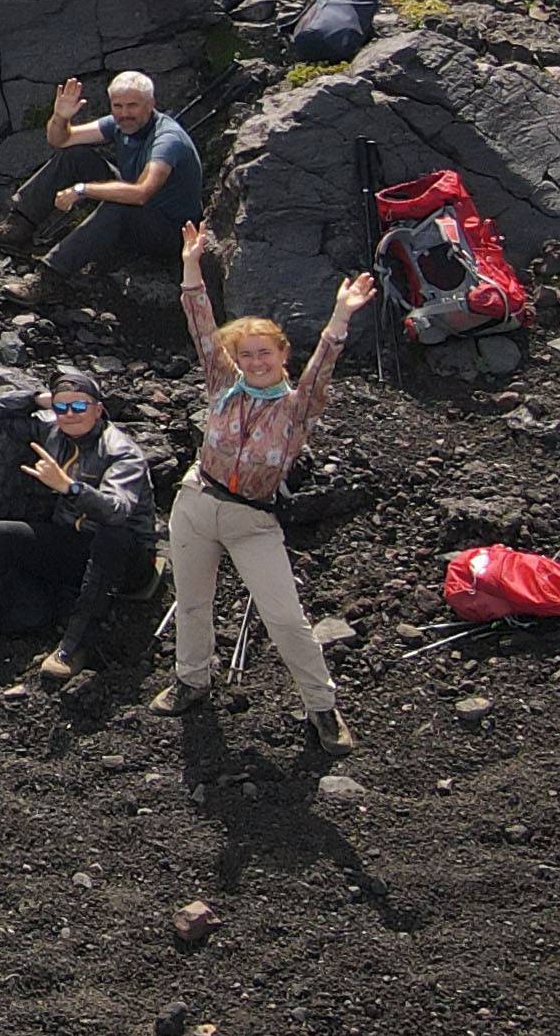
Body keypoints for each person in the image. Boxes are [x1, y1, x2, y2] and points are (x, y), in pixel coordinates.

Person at [157, 223, 373, 755]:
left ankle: (322, 707)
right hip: (197, 501)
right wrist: (191, 262)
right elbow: (200, 323)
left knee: (284, 616)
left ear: (282, 356)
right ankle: (191, 679)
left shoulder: (298, 407)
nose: (254, 362)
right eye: (245, 354)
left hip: (254, 518)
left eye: (264, 354)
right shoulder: (220, 386)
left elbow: (324, 364)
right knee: (192, 603)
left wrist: (340, 317)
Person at [0, 369, 154, 687]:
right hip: (75, 543)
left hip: (126, 559)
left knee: (111, 537)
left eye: (80, 407)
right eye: (62, 407)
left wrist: (70, 488)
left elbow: (117, 511)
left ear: (99, 409)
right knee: (0, 534)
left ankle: (73, 649)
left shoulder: (121, 452)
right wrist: (39, 398)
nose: (70, 415)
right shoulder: (53, 428)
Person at [0, 70, 206, 287]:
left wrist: (82, 190)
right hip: (141, 208)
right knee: (76, 155)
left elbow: (141, 193)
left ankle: (50, 277)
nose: (124, 113)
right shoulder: (118, 124)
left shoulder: (167, 140)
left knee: (119, 205)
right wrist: (60, 116)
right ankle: (19, 226)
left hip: (172, 233)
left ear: (151, 104)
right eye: (118, 106)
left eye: (132, 106)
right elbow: (61, 140)